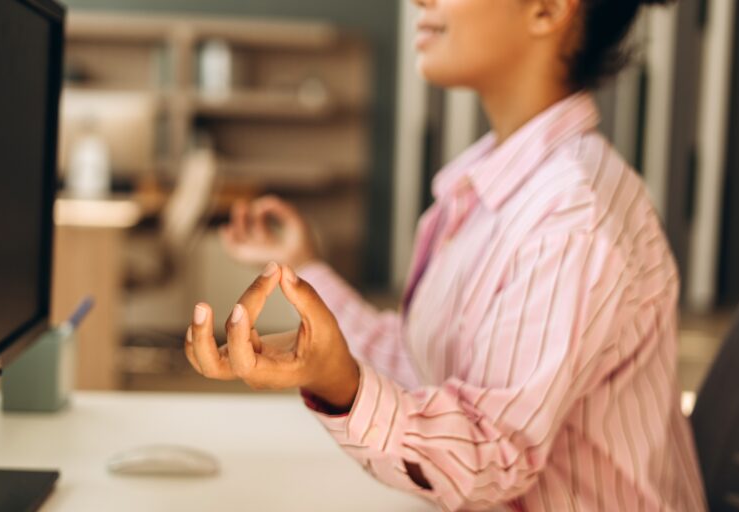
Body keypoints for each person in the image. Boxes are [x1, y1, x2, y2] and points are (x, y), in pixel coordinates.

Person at [184, 0, 707, 509]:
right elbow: (426, 361)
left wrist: (337, 381)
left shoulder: (572, 215)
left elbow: (491, 456)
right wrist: (307, 277)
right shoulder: (496, 184)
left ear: (547, 9)